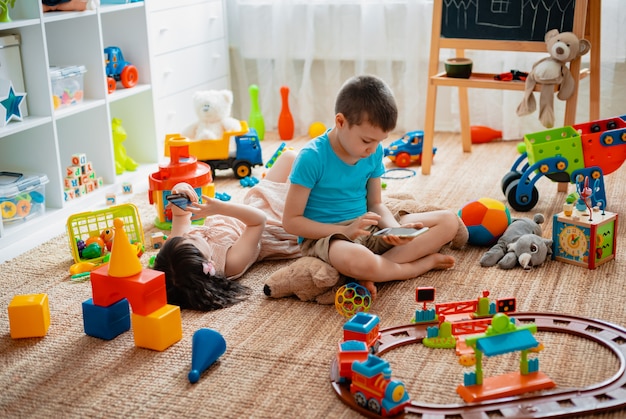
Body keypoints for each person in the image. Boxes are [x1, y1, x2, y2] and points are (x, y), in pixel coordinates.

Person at [282, 75, 459, 298]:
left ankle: (372, 271)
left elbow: (375, 203)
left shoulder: (374, 151)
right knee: (358, 259)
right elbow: (291, 221)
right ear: (340, 122)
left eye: (380, 141)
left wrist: (394, 229)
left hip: (368, 226)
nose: (373, 149)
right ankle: (415, 267)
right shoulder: (312, 157)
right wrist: (344, 231)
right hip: (328, 238)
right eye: (367, 141)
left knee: (448, 221)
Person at [153, 150, 301, 311]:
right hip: (277, 220)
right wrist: (220, 208)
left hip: (251, 207)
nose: (188, 235)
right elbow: (258, 221)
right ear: (207, 263)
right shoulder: (231, 263)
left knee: (289, 157)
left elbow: (180, 216)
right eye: (192, 240)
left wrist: (180, 190)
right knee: (303, 166)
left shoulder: (178, 250)